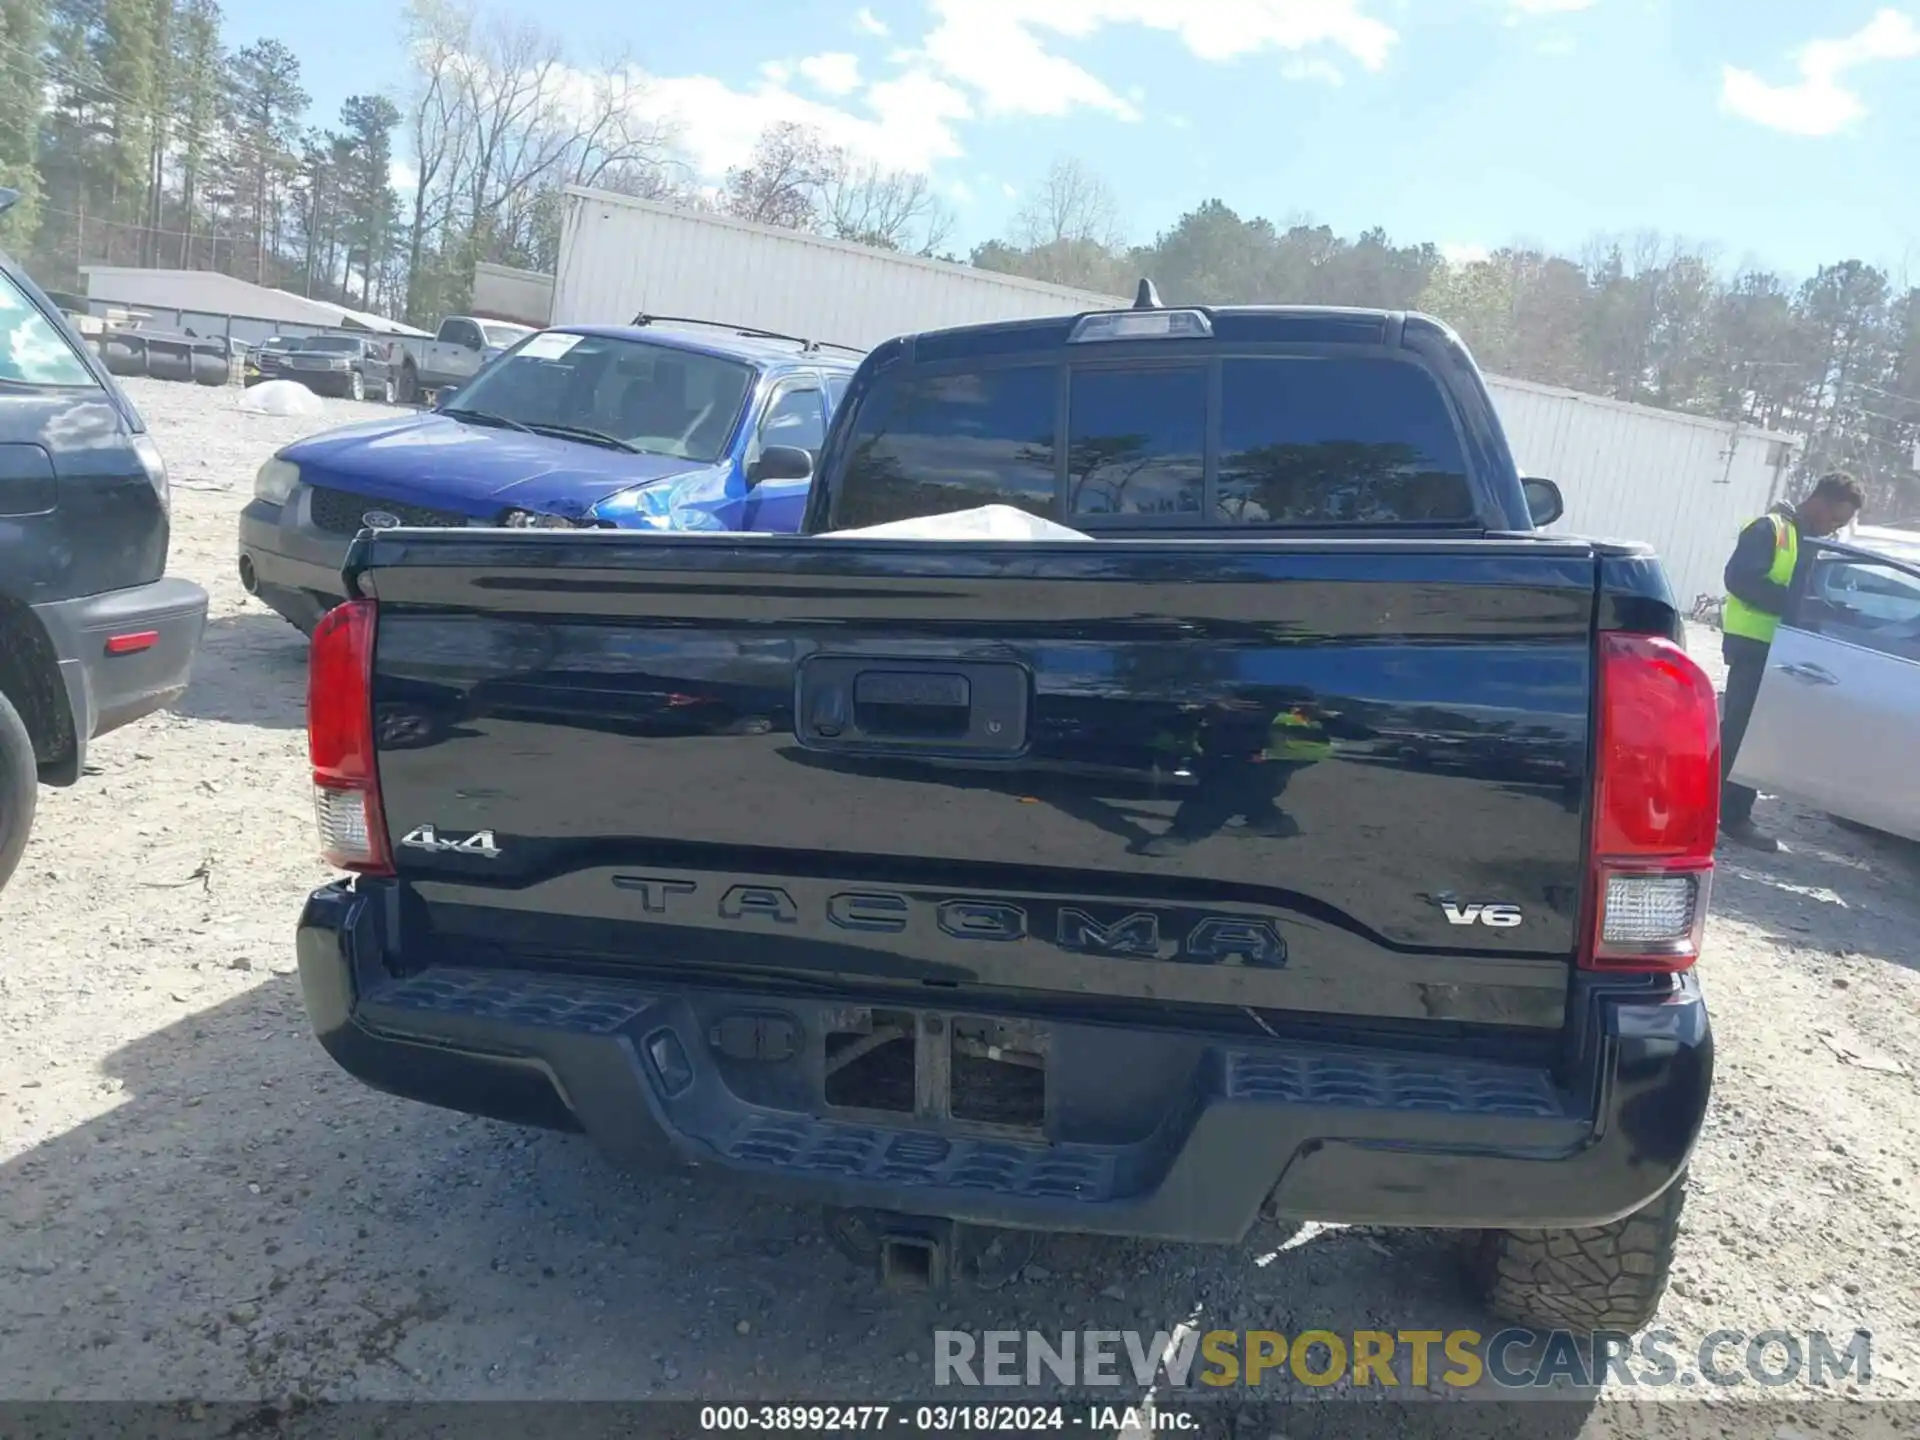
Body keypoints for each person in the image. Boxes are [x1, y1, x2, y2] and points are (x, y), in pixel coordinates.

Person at [1718, 471, 1864, 851]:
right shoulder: (1772, 529)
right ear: (1820, 501)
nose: (1834, 528)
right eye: (1835, 519)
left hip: (1784, 653)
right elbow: (1738, 579)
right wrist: (1794, 606)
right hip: (1755, 648)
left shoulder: (1808, 540)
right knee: (1739, 737)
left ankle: (1725, 813)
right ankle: (1727, 817)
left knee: (1754, 738)